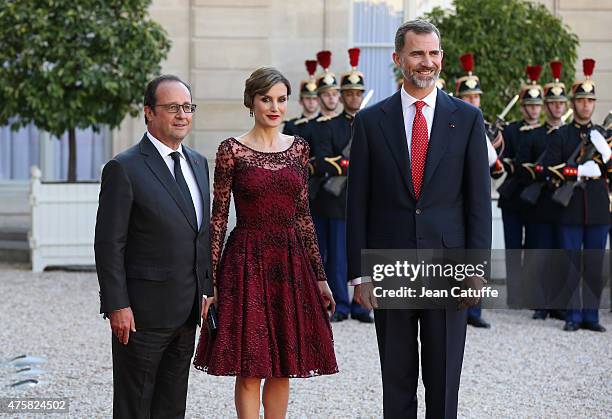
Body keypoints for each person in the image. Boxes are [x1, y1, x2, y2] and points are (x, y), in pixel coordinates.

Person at [347, 20, 491, 418]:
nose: (426, 62)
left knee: (444, 378)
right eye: (417, 53)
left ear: (441, 58)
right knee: (396, 375)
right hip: (390, 267)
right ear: (398, 59)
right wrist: (361, 274)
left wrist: (476, 269)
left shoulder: (466, 119)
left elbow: (479, 201)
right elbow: (357, 204)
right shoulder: (370, 122)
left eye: (433, 53)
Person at [193, 67, 338, 418]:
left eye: (281, 100)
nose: (275, 107)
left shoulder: (299, 149)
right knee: (249, 366)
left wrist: (320, 278)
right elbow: (218, 218)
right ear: (251, 102)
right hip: (246, 261)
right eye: (266, 99)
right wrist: (209, 282)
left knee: (282, 365)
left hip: (289, 263)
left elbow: (303, 216)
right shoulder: (232, 151)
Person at [94, 75, 212, 418]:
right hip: (141, 316)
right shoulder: (124, 167)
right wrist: (117, 304)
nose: (182, 115)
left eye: (188, 107)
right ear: (148, 112)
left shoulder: (198, 163)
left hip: (187, 311)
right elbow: (108, 243)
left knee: (172, 406)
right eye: (172, 107)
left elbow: (198, 233)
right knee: (135, 406)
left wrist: (206, 288)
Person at [541, 58, 610, 332]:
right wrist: (579, 170)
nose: (585, 105)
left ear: (594, 104)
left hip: (597, 208)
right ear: (573, 103)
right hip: (569, 207)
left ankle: (591, 316)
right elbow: (550, 170)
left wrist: (606, 154)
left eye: (590, 101)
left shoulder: (602, 136)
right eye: (580, 100)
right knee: (571, 264)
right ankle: (573, 316)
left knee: (594, 265)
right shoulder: (562, 136)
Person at [309, 48, 372, 323]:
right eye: (349, 93)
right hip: (335, 200)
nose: (354, 97)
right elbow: (321, 161)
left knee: (363, 255)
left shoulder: (372, 123)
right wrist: (349, 164)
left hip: (365, 199)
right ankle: (341, 306)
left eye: (358, 93)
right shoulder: (327, 126)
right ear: (342, 95)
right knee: (335, 256)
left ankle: (362, 306)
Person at [518, 60, 568, 320]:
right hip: (540, 202)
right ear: (547, 106)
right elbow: (525, 167)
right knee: (539, 253)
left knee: (560, 254)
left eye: (561, 103)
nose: (557, 106)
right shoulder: (535, 134)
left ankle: (559, 303)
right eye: (553, 102)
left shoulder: (570, 134)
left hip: (563, 202)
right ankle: (540, 302)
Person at [454, 52, 498, 328]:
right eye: (468, 97)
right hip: (454, 201)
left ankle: (476, 310)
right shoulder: (453, 123)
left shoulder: (480, 125)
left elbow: (493, 161)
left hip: (476, 197)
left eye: (476, 97)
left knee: (477, 248)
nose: (473, 101)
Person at [283, 60, 319, 137]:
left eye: (314, 99)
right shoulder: (291, 126)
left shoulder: (326, 124)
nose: (311, 102)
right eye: (307, 98)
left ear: (319, 101)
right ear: (300, 101)